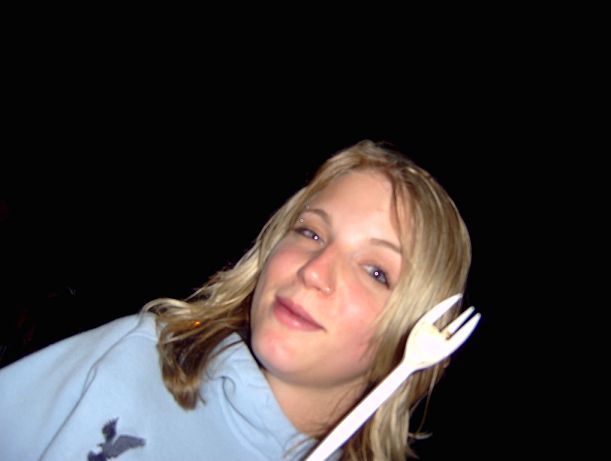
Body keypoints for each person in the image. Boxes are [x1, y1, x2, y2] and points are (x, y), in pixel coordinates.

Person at [0, 139, 473, 461]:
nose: (314, 271)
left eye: (375, 271)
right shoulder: (140, 355)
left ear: (415, 328)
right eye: (310, 232)